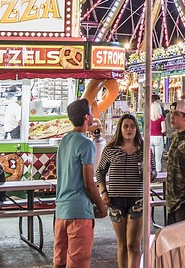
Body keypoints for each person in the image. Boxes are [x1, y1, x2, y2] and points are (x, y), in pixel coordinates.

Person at [55, 98, 107, 268]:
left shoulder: (64, 141)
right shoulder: (86, 144)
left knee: (60, 262)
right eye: (91, 112)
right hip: (79, 212)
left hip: (61, 211)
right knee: (78, 262)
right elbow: (88, 183)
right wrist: (102, 206)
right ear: (86, 117)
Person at [98, 113, 154, 268]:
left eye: (132, 126)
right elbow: (100, 172)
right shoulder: (110, 149)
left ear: (137, 128)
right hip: (115, 200)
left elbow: (153, 173)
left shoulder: (145, 150)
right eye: (126, 126)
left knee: (133, 244)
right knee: (122, 244)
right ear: (120, 129)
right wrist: (103, 192)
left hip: (137, 199)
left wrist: (148, 172)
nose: (129, 129)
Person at [148, 94, 166, 170]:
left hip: (150, 137)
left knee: (151, 159)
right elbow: (164, 129)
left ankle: (150, 174)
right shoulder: (161, 117)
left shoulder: (148, 117)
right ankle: (158, 173)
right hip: (158, 137)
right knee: (158, 159)